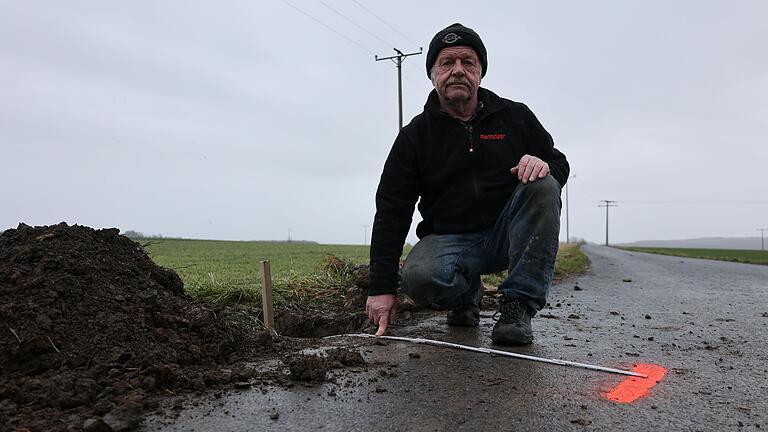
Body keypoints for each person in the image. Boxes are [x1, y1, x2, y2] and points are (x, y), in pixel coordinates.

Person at [366, 23, 569, 346]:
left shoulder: (516, 117)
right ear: (433, 73)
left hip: (508, 234)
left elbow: (559, 162)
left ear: (480, 72)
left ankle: (517, 308)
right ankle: (466, 293)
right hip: (451, 242)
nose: (458, 70)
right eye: (447, 63)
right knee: (419, 278)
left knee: (543, 185)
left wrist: (546, 165)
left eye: (468, 62)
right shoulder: (415, 137)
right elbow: (392, 210)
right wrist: (380, 289)